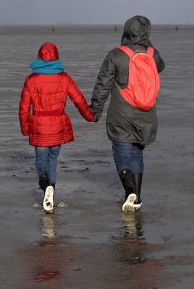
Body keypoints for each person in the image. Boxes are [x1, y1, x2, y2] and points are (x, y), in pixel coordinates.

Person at [90, 15, 166, 213]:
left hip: (121, 114)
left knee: (122, 154)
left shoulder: (116, 55)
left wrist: (95, 110)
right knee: (137, 155)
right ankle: (137, 198)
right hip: (146, 115)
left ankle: (129, 190)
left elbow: (103, 85)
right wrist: (147, 45)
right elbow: (161, 66)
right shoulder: (153, 54)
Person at [19, 42, 97, 213]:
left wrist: (25, 128)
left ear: (39, 56)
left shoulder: (31, 80)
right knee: (53, 160)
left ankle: (45, 185)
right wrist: (90, 116)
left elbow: (24, 107)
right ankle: (51, 194)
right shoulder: (64, 78)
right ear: (56, 56)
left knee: (41, 161)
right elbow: (79, 100)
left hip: (39, 126)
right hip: (57, 126)